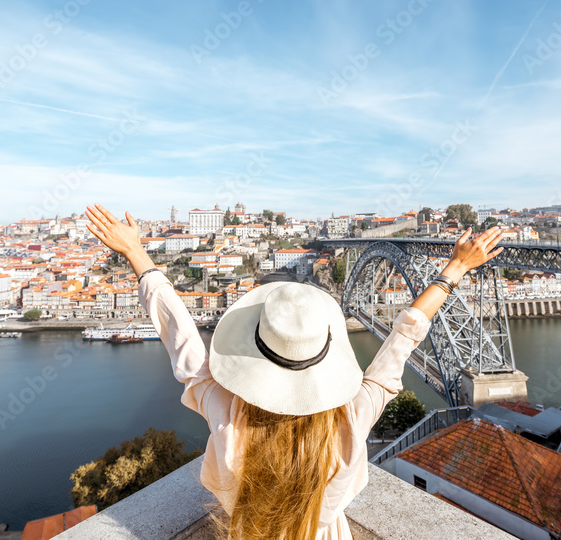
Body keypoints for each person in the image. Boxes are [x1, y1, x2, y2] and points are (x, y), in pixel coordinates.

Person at [83, 203, 504, 539]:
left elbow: (184, 344)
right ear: (325, 353)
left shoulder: (231, 424)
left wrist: (137, 253)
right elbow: (404, 337)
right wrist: (455, 269)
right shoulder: (350, 422)